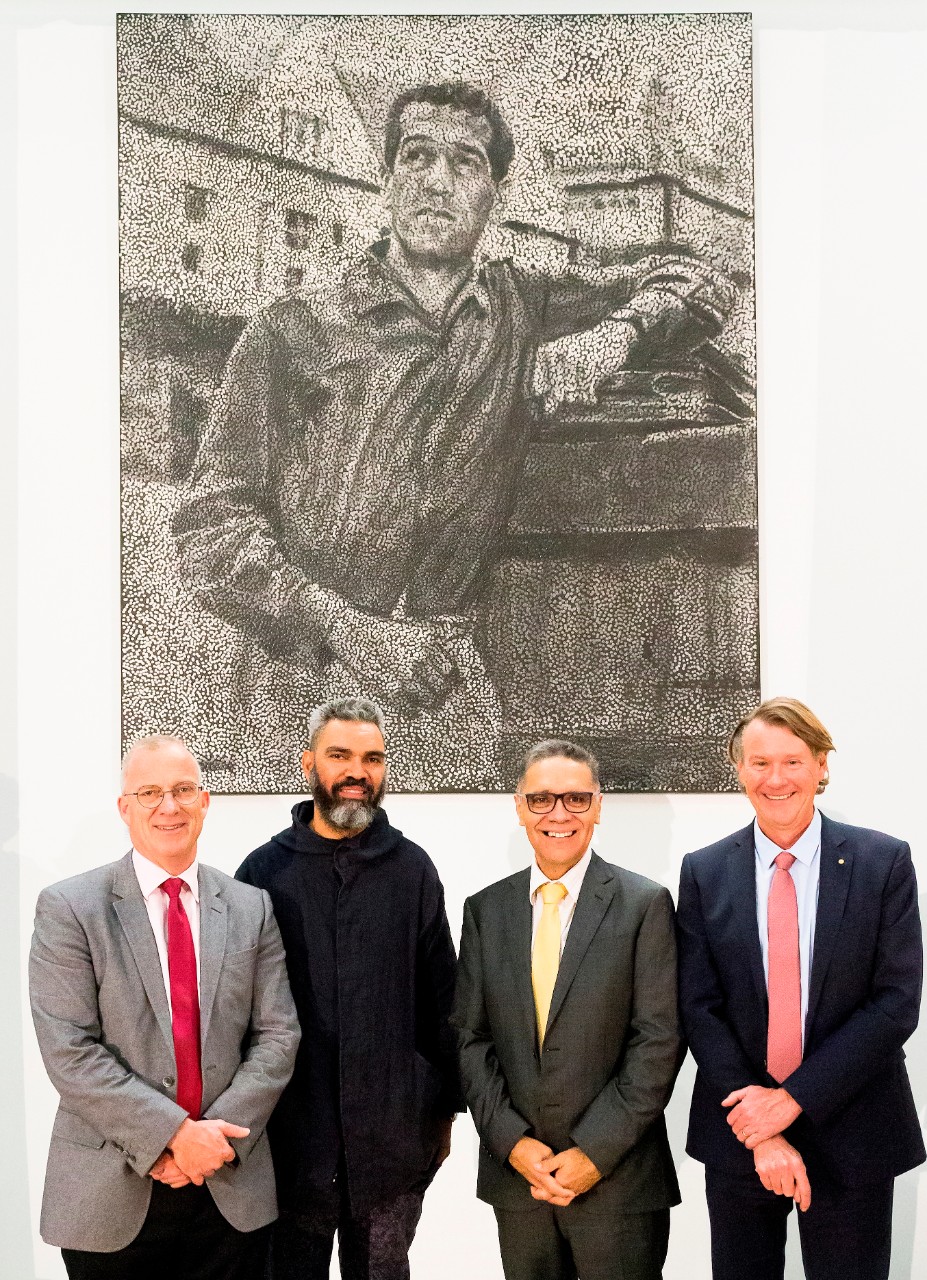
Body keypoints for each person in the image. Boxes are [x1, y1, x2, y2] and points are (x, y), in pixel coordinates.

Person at [173, 80, 735, 790]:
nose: (436, 183)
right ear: (384, 181)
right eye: (416, 157)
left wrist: (613, 338)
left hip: (443, 689)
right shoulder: (290, 329)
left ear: (494, 194)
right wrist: (349, 631)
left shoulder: (519, 306)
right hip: (299, 684)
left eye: (465, 164)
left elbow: (697, 273)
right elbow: (208, 527)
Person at [29, 735, 300, 1280]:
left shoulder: (251, 907)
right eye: (150, 792)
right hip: (109, 1191)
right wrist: (177, 1135)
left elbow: (278, 1035)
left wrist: (211, 1143)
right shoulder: (70, 908)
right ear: (124, 807)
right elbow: (70, 1051)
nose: (168, 806)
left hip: (229, 1188)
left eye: (182, 790)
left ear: (205, 802)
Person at [676, 697, 924, 1280]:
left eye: (792, 761)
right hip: (740, 1134)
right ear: (738, 770)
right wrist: (759, 1126)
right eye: (759, 763)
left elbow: (894, 1005)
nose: (776, 778)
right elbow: (697, 1005)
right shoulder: (703, 871)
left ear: (821, 766)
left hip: (854, 1129)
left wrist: (789, 1102)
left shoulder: (882, 862)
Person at [235, 697, 461, 1280]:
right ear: (309, 762)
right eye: (340, 756)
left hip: (392, 1143)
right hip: (288, 1143)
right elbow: (234, 1012)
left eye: (372, 758)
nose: (357, 772)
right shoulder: (263, 872)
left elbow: (443, 999)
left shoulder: (413, 869)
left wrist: (444, 1114)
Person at [453, 739, 681, 1280]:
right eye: (542, 799)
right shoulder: (485, 910)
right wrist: (511, 1143)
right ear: (519, 807)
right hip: (520, 1183)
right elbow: (469, 1038)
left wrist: (593, 1153)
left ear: (599, 806)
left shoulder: (645, 904)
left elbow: (659, 1040)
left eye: (576, 799)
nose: (559, 813)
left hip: (618, 1183)